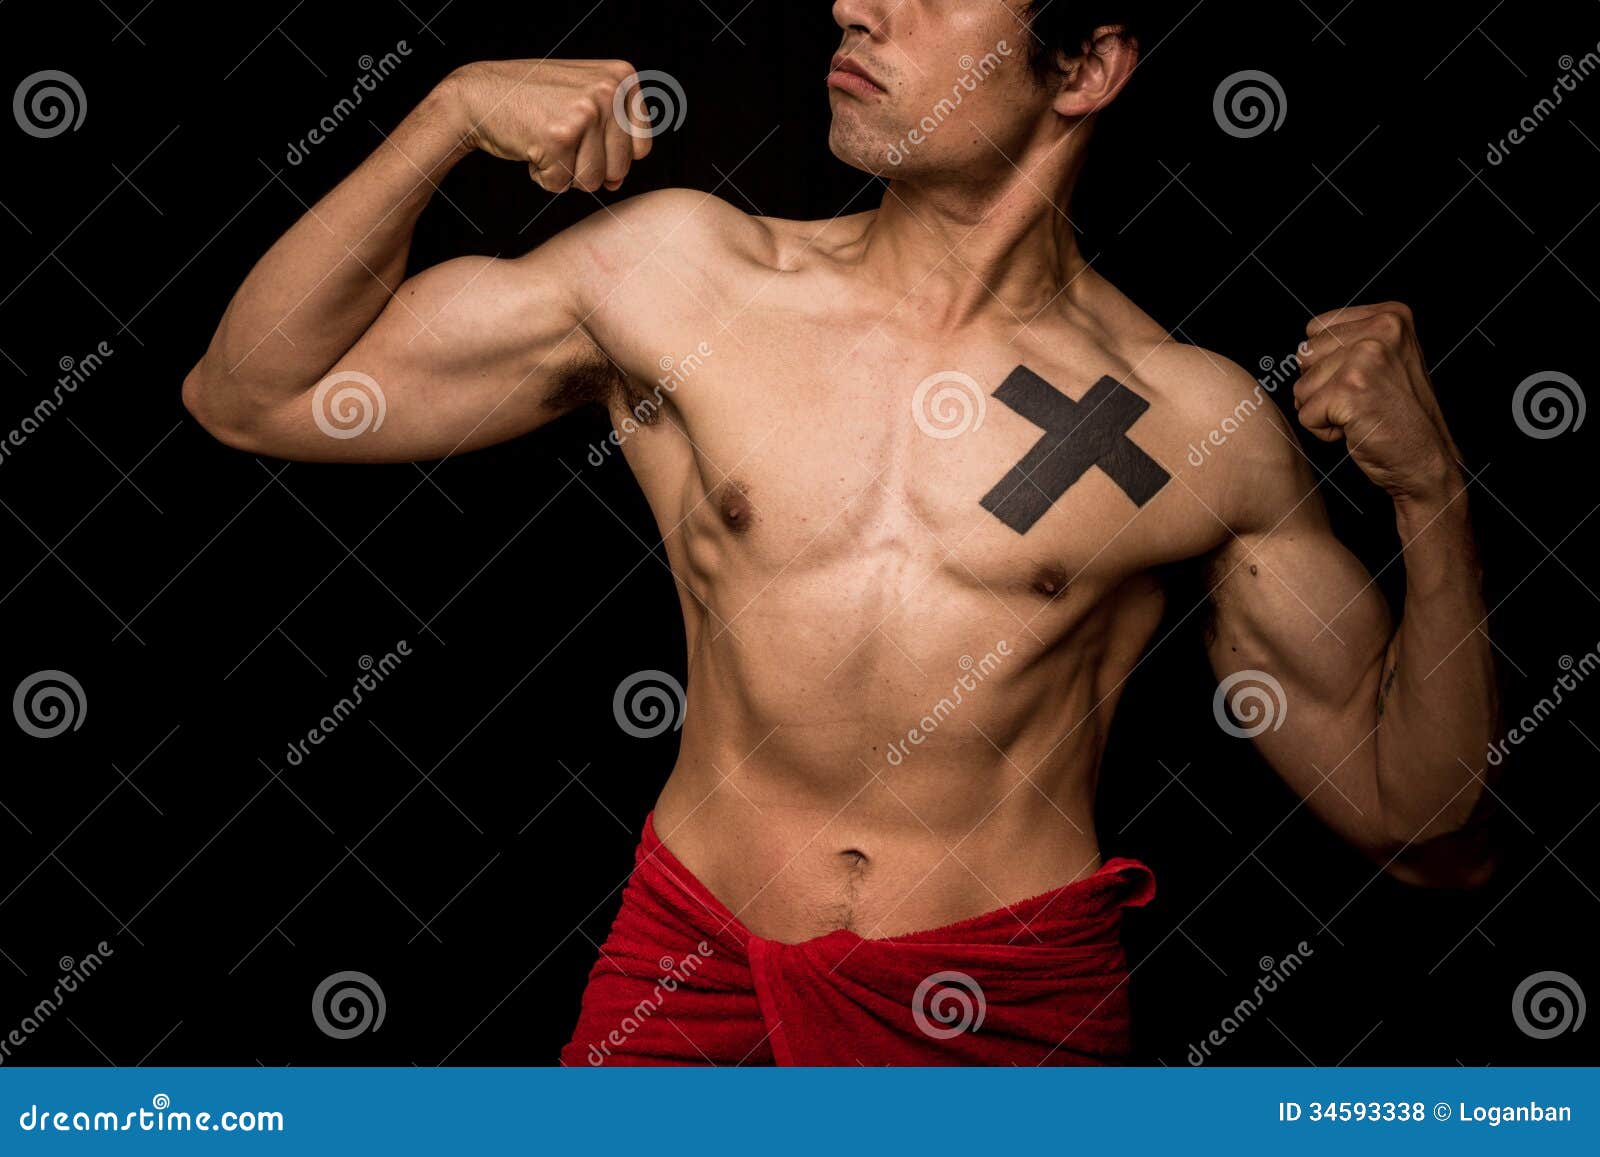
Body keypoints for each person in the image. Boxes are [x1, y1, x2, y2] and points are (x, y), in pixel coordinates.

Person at [182, 1, 1499, 1065]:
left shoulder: (1187, 422)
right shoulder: (687, 279)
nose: (855, 10)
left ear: (1087, 64)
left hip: (1000, 1017)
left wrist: (1431, 493)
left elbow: (1418, 818)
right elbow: (254, 395)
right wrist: (448, 113)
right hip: (688, 982)